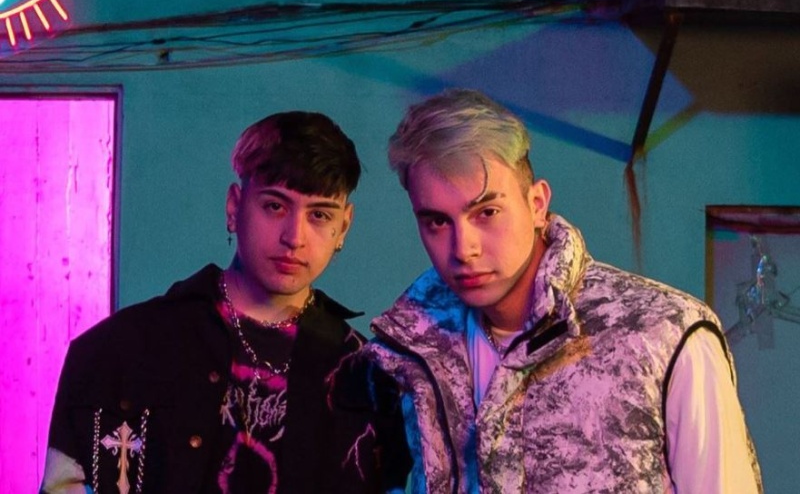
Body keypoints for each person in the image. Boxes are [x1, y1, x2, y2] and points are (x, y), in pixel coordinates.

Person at [365, 88, 762, 493]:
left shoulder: (663, 334)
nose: (463, 249)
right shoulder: (410, 350)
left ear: (537, 204)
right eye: (437, 222)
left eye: (487, 212)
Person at [41, 111, 409, 493]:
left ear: (343, 227)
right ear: (235, 207)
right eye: (275, 206)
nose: (294, 237)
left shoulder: (364, 376)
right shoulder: (120, 347)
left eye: (319, 214)